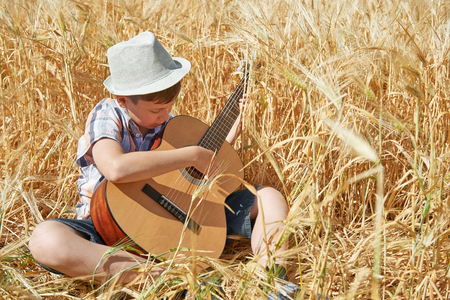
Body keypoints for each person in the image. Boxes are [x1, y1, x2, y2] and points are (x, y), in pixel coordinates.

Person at [28, 31, 299, 299]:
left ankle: (271, 280)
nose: (165, 116)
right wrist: (191, 155)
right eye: (156, 111)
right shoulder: (108, 114)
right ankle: (168, 279)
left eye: (169, 107)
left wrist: (230, 134)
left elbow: (201, 168)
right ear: (122, 99)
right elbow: (115, 168)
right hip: (109, 228)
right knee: (46, 240)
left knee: (268, 197)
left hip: (181, 221)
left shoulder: (170, 126)